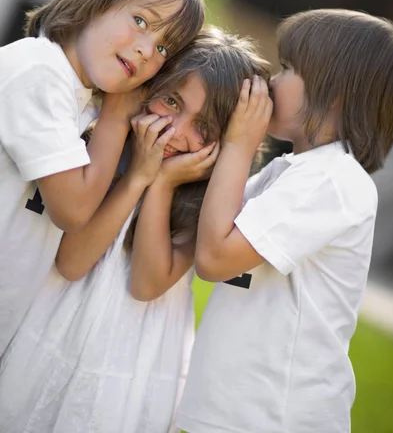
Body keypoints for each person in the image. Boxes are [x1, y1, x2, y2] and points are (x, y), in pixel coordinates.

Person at [0, 27, 271, 433]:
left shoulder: (212, 201)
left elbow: (145, 285)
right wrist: (138, 178)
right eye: (172, 101)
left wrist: (161, 184)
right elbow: (72, 262)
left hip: (130, 361)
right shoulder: (102, 149)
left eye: (205, 127)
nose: (176, 131)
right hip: (54, 330)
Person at [176, 9, 393, 433]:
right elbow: (206, 220)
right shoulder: (294, 171)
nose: (272, 82)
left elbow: (215, 257)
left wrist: (240, 146)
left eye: (288, 69)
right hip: (243, 412)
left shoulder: (330, 180)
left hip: (276, 416)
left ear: (334, 94)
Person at [0, 0, 204, 356]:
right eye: (141, 21)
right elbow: (73, 210)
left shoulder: (79, 99)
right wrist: (115, 118)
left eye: (165, 49)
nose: (148, 50)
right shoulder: (39, 73)